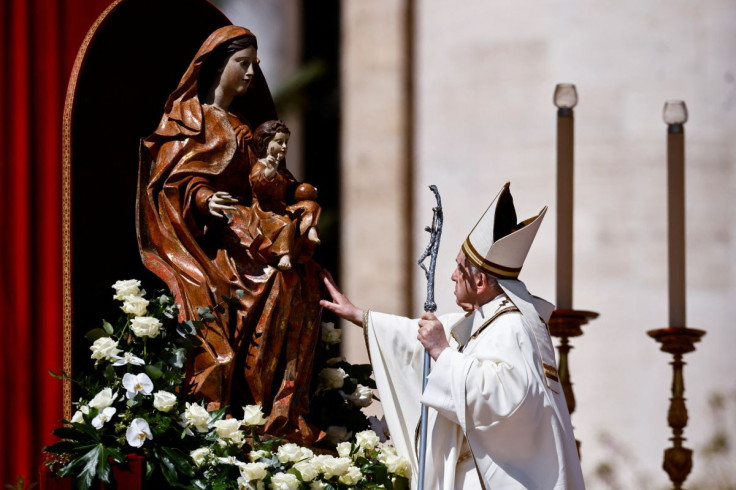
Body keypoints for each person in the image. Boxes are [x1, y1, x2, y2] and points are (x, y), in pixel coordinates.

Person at [320, 182, 585, 488]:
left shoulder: (513, 327)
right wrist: (359, 316)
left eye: (460, 267)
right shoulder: (485, 322)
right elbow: (417, 335)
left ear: (481, 281)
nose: (452, 276)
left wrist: (442, 353)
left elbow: (502, 399)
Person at [137, 26, 324, 444]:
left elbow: (271, 180)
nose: (251, 73)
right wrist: (203, 199)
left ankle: (279, 411)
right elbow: (171, 181)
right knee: (274, 280)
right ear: (216, 65)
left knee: (299, 281)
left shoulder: (243, 127)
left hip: (252, 233)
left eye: (255, 65)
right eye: (243, 63)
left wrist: (303, 201)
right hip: (213, 245)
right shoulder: (189, 120)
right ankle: (246, 408)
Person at [225, 120, 321, 271]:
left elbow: (292, 188)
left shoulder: (282, 170)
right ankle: (284, 255)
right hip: (265, 212)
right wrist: (270, 172)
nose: (284, 147)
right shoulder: (262, 166)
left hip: (282, 208)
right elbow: (258, 183)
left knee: (311, 206)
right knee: (286, 224)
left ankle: (310, 230)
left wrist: (306, 189)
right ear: (265, 143)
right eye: (279, 142)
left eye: (286, 143)